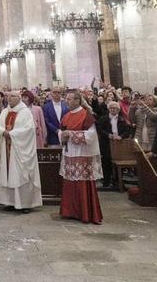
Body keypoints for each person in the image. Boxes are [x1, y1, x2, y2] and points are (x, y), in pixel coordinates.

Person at [58, 89, 103, 224]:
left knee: (82, 184)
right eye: (66, 99)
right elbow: (61, 131)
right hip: (69, 153)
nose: (67, 101)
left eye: (70, 99)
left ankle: (85, 212)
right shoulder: (66, 116)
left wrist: (70, 134)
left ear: (78, 100)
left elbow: (91, 136)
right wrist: (62, 134)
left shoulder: (86, 115)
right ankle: (70, 211)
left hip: (82, 154)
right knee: (70, 182)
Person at [0, 91, 42, 213]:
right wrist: (2, 131)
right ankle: (10, 202)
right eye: (8, 97)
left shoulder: (25, 112)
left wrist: (11, 134)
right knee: (9, 173)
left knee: (21, 174)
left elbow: (29, 129)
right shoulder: (5, 112)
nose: (9, 98)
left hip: (20, 150)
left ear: (19, 98)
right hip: (7, 148)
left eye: (12, 96)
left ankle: (25, 204)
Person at [98, 101, 132, 188]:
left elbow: (127, 131)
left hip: (118, 143)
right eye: (111, 108)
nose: (113, 109)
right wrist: (108, 135)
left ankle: (117, 181)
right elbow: (100, 130)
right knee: (106, 162)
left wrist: (121, 136)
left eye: (115, 108)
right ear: (108, 109)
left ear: (118, 110)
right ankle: (106, 181)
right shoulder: (103, 119)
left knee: (118, 162)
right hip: (106, 143)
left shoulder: (122, 119)